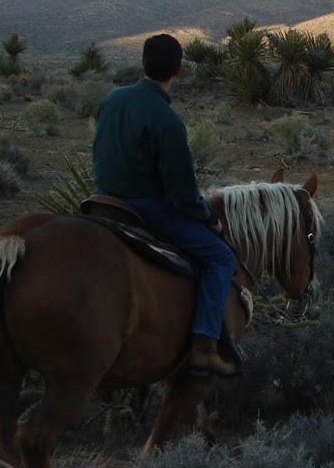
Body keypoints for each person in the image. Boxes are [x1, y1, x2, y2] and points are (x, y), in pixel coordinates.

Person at [91, 33, 238, 376]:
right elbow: (183, 193)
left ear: (143, 64)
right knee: (220, 257)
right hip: (144, 208)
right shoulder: (167, 120)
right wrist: (208, 219)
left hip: (101, 200)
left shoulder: (112, 99)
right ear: (179, 70)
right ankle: (204, 346)